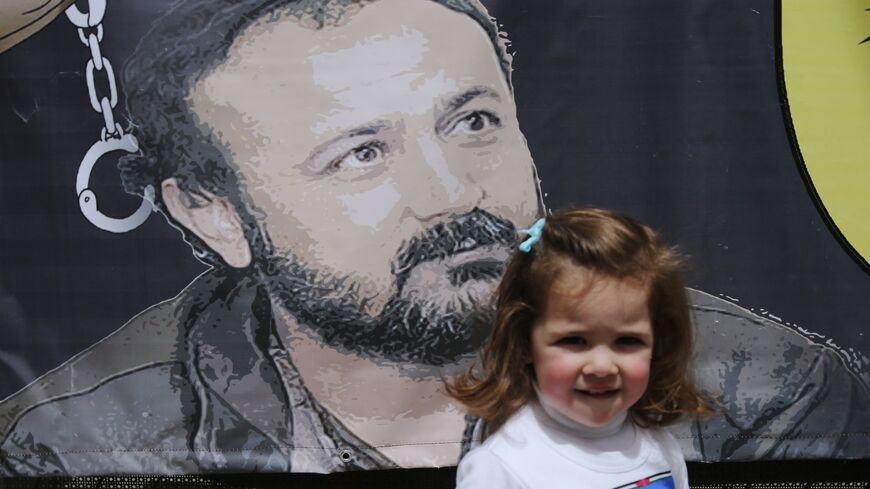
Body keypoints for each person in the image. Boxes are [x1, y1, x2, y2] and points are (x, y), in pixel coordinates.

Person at [0, 0, 867, 477]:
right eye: (363, 153)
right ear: (211, 213)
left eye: (475, 122)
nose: (453, 192)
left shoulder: (756, 391)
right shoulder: (80, 445)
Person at [450, 208, 705, 489]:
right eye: (574, 341)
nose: (602, 367)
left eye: (627, 341)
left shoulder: (660, 445)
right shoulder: (501, 467)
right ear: (524, 343)